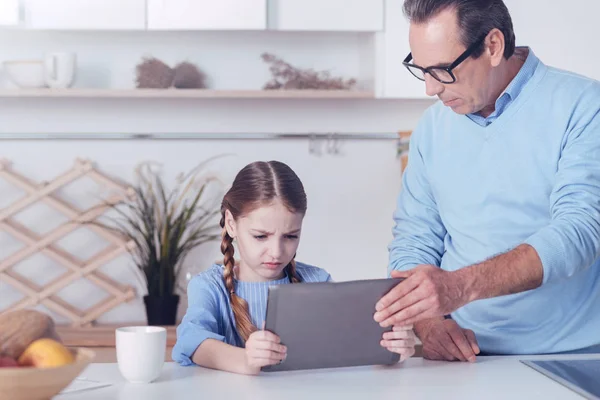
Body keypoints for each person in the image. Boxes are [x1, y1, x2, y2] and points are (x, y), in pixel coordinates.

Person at [373, 0, 600, 362]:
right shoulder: (431, 129)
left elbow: (581, 232)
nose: (430, 88)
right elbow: (414, 241)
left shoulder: (585, 105)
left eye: (443, 70)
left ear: (493, 46)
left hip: (572, 357)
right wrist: (430, 323)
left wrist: (460, 287)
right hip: (466, 360)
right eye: (421, 70)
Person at [173, 161, 416, 374]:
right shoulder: (210, 287)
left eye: (290, 236)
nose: (277, 252)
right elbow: (191, 341)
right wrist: (246, 360)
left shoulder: (317, 281)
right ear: (231, 224)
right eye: (260, 236)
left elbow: (347, 350)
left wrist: (390, 353)